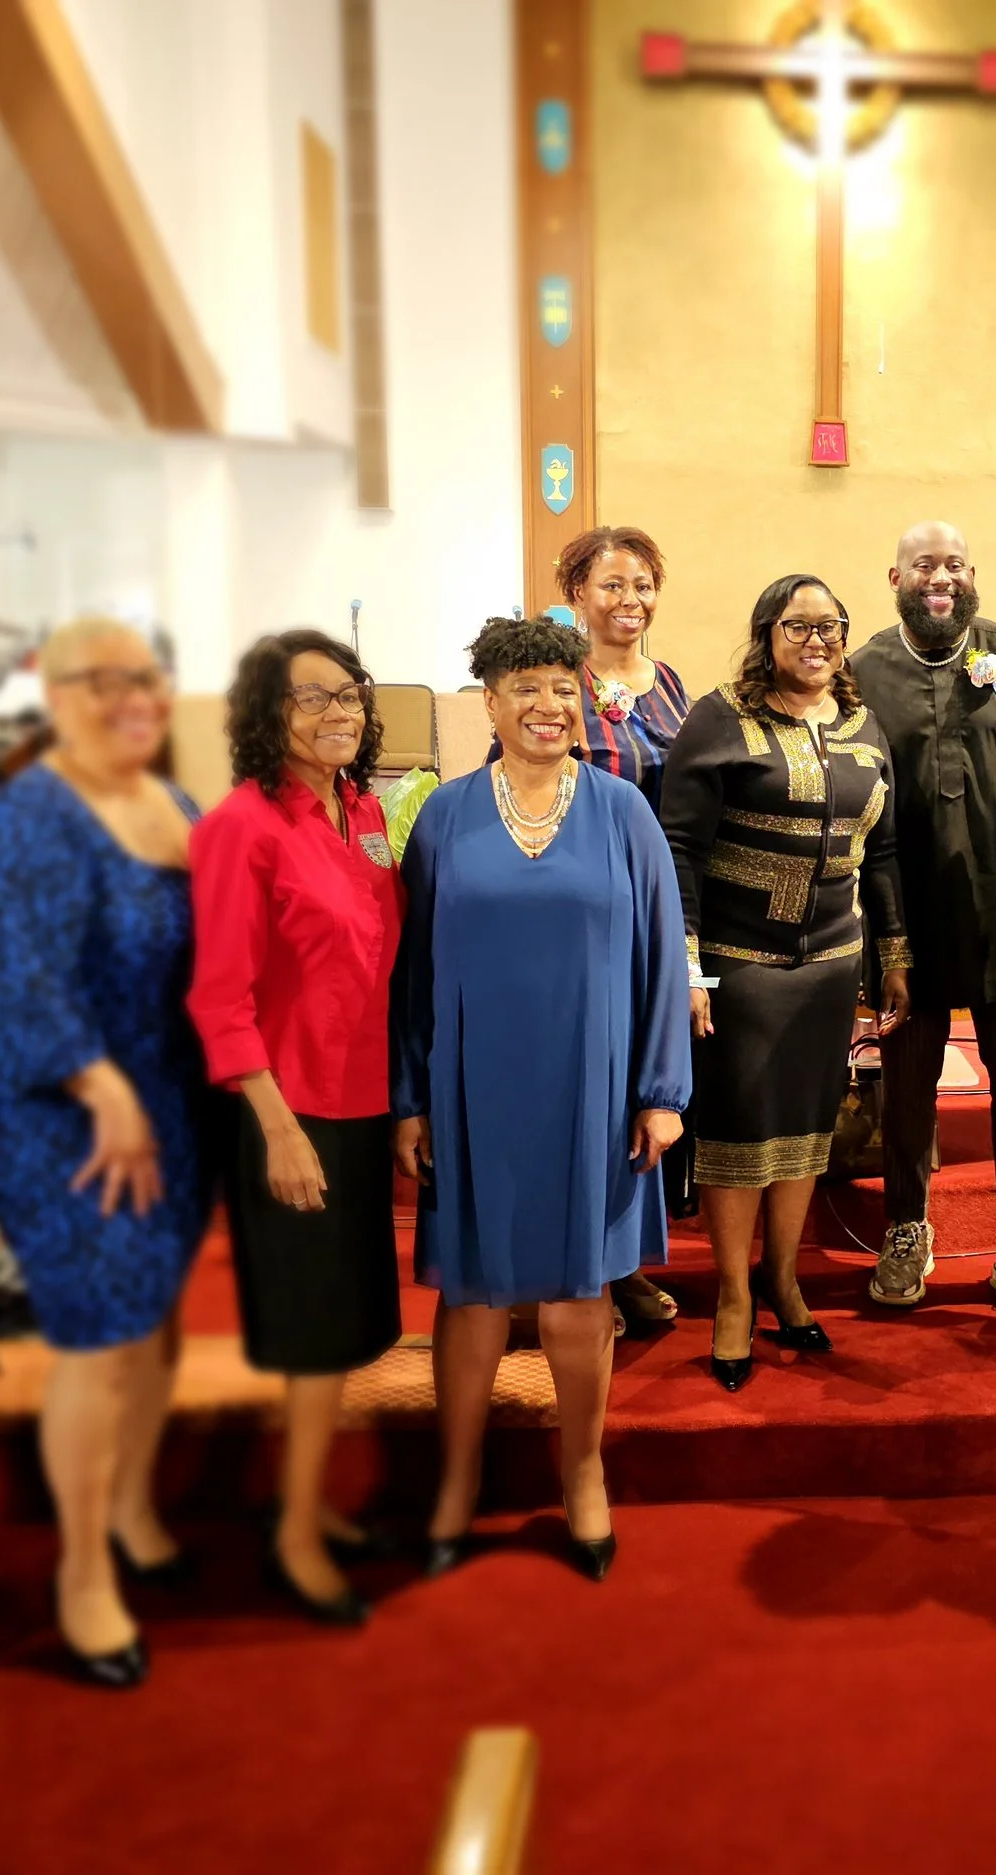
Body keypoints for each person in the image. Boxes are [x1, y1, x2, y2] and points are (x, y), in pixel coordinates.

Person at [394, 616, 690, 1580]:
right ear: (489, 701)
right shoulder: (443, 815)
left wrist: (659, 1090)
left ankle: (584, 1469)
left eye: (562, 688)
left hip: (593, 1083)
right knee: (474, 1296)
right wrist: (412, 1097)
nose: (546, 705)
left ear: (584, 698)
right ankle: (456, 1477)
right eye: (523, 687)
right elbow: (413, 973)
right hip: (474, 1085)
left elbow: (659, 956)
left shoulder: (623, 812)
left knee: (576, 1293)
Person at [0, 618, 212, 1688]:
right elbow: (9, 977)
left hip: (169, 1103)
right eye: (103, 682)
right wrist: (100, 1087)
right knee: (98, 1340)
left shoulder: (175, 804)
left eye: (146, 678)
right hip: (70, 1115)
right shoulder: (28, 816)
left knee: (153, 1328)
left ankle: (131, 1510)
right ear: (53, 693)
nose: (133, 699)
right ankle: (80, 1578)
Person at [187, 628, 405, 1626]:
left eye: (347, 694)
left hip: (360, 1107)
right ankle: (294, 1536)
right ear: (268, 714)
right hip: (292, 1112)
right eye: (308, 698)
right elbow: (218, 997)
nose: (335, 712)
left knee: (347, 1329)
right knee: (315, 1341)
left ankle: (306, 1501)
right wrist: (276, 1128)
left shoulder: (361, 810)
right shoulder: (243, 825)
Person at [658, 574, 912, 1391]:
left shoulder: (865, 725)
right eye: (798, 626)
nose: (817, 640)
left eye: (830, 626)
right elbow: (678, 848)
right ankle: (734, 1294)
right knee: (737, 1133)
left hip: (831, 967)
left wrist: (894, 954)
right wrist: (687, 963)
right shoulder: (720, 718)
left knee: (806, 1128)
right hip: (741, 966)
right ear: (767, 632)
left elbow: (886, 851)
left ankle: (783, 1277)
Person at [847, 521, 996, 1319]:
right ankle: (906, 1226)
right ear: (895, 575)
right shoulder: (862, 669)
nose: (940, 577)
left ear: (973, 574)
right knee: (907, 1085)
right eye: (923, 565)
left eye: (954, 564)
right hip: (903, 919)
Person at [562, 525, 691, 1328]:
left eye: (642, 584)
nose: (630, 601)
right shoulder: (554, 682)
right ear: (577, 592)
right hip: (583, 908)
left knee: (646, 1086)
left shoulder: (671, 682)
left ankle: (626, 1259)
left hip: (658, 903)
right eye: (612, 584)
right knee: (592, 1087)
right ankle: (584, 1274)